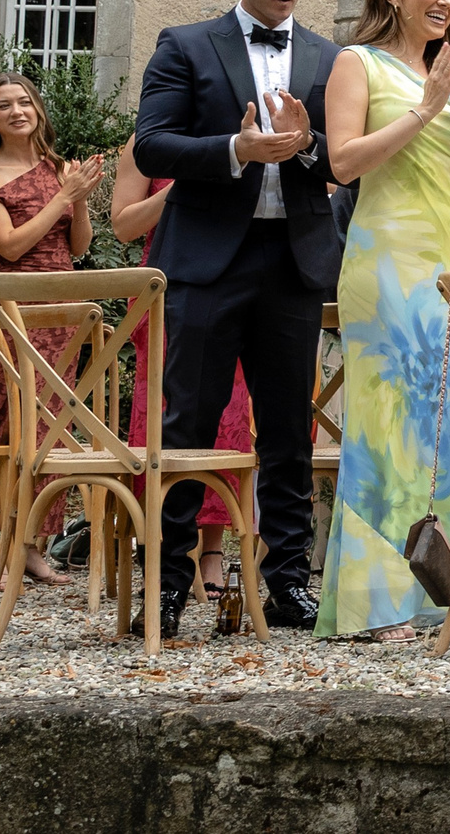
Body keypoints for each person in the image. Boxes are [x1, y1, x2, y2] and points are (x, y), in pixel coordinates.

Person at [130, 0, 337, 640]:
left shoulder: (326, 54)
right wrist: (234, 147)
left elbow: (345, 160)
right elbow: (153, 138)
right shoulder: (186, 44)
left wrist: (311, 149)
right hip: (208, 260)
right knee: (187, 422)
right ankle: (166, 580)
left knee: (289, 429)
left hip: (294, 260)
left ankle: (286, 582)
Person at [318, 0, 450, 641]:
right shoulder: (358, 64)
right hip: (385, 260)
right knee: (391, 427)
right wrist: (427, 107)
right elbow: (343, 161)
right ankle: (381, 601)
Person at [0, 72, 102, 590]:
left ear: (38, 109)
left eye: (25, 102)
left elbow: (80, 246)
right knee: (2, 424)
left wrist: (79, 197)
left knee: (49, 430)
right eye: (5, 105)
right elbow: (12, 246)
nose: (18, 111)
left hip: (61, 312)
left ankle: (31, 547)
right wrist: (62, 194)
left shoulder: (56, 169)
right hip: (10, 312)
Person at [112, 135, 254, 605]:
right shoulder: (144, 143)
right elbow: (124, 225)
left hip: (238, 278)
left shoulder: (241, 131)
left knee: (229, 417)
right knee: (168, 414)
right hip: (170, 285)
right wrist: (180, 187)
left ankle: (212, 550)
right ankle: (164, 548)